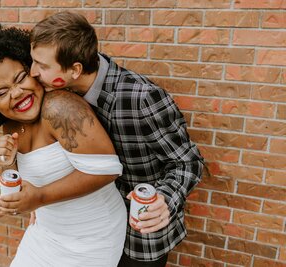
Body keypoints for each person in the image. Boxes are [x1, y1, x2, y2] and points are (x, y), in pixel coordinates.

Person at [0, 18, 127, 267]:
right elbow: (24, 189)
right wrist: (8, 165)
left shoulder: (59, 107)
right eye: (1, 92)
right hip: (46, 233)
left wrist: (39, 198)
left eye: (20, 78)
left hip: (91, 238)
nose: (16, 92)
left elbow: (107, 171)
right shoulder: (10, 126)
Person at [28, 11, 205, 267]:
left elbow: (188, 162)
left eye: (42, 66)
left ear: (75, 69)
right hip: (88, 235)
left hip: (136, 240)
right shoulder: (57, 90)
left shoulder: (143, 98)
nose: (33, 72)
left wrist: (165, 199)